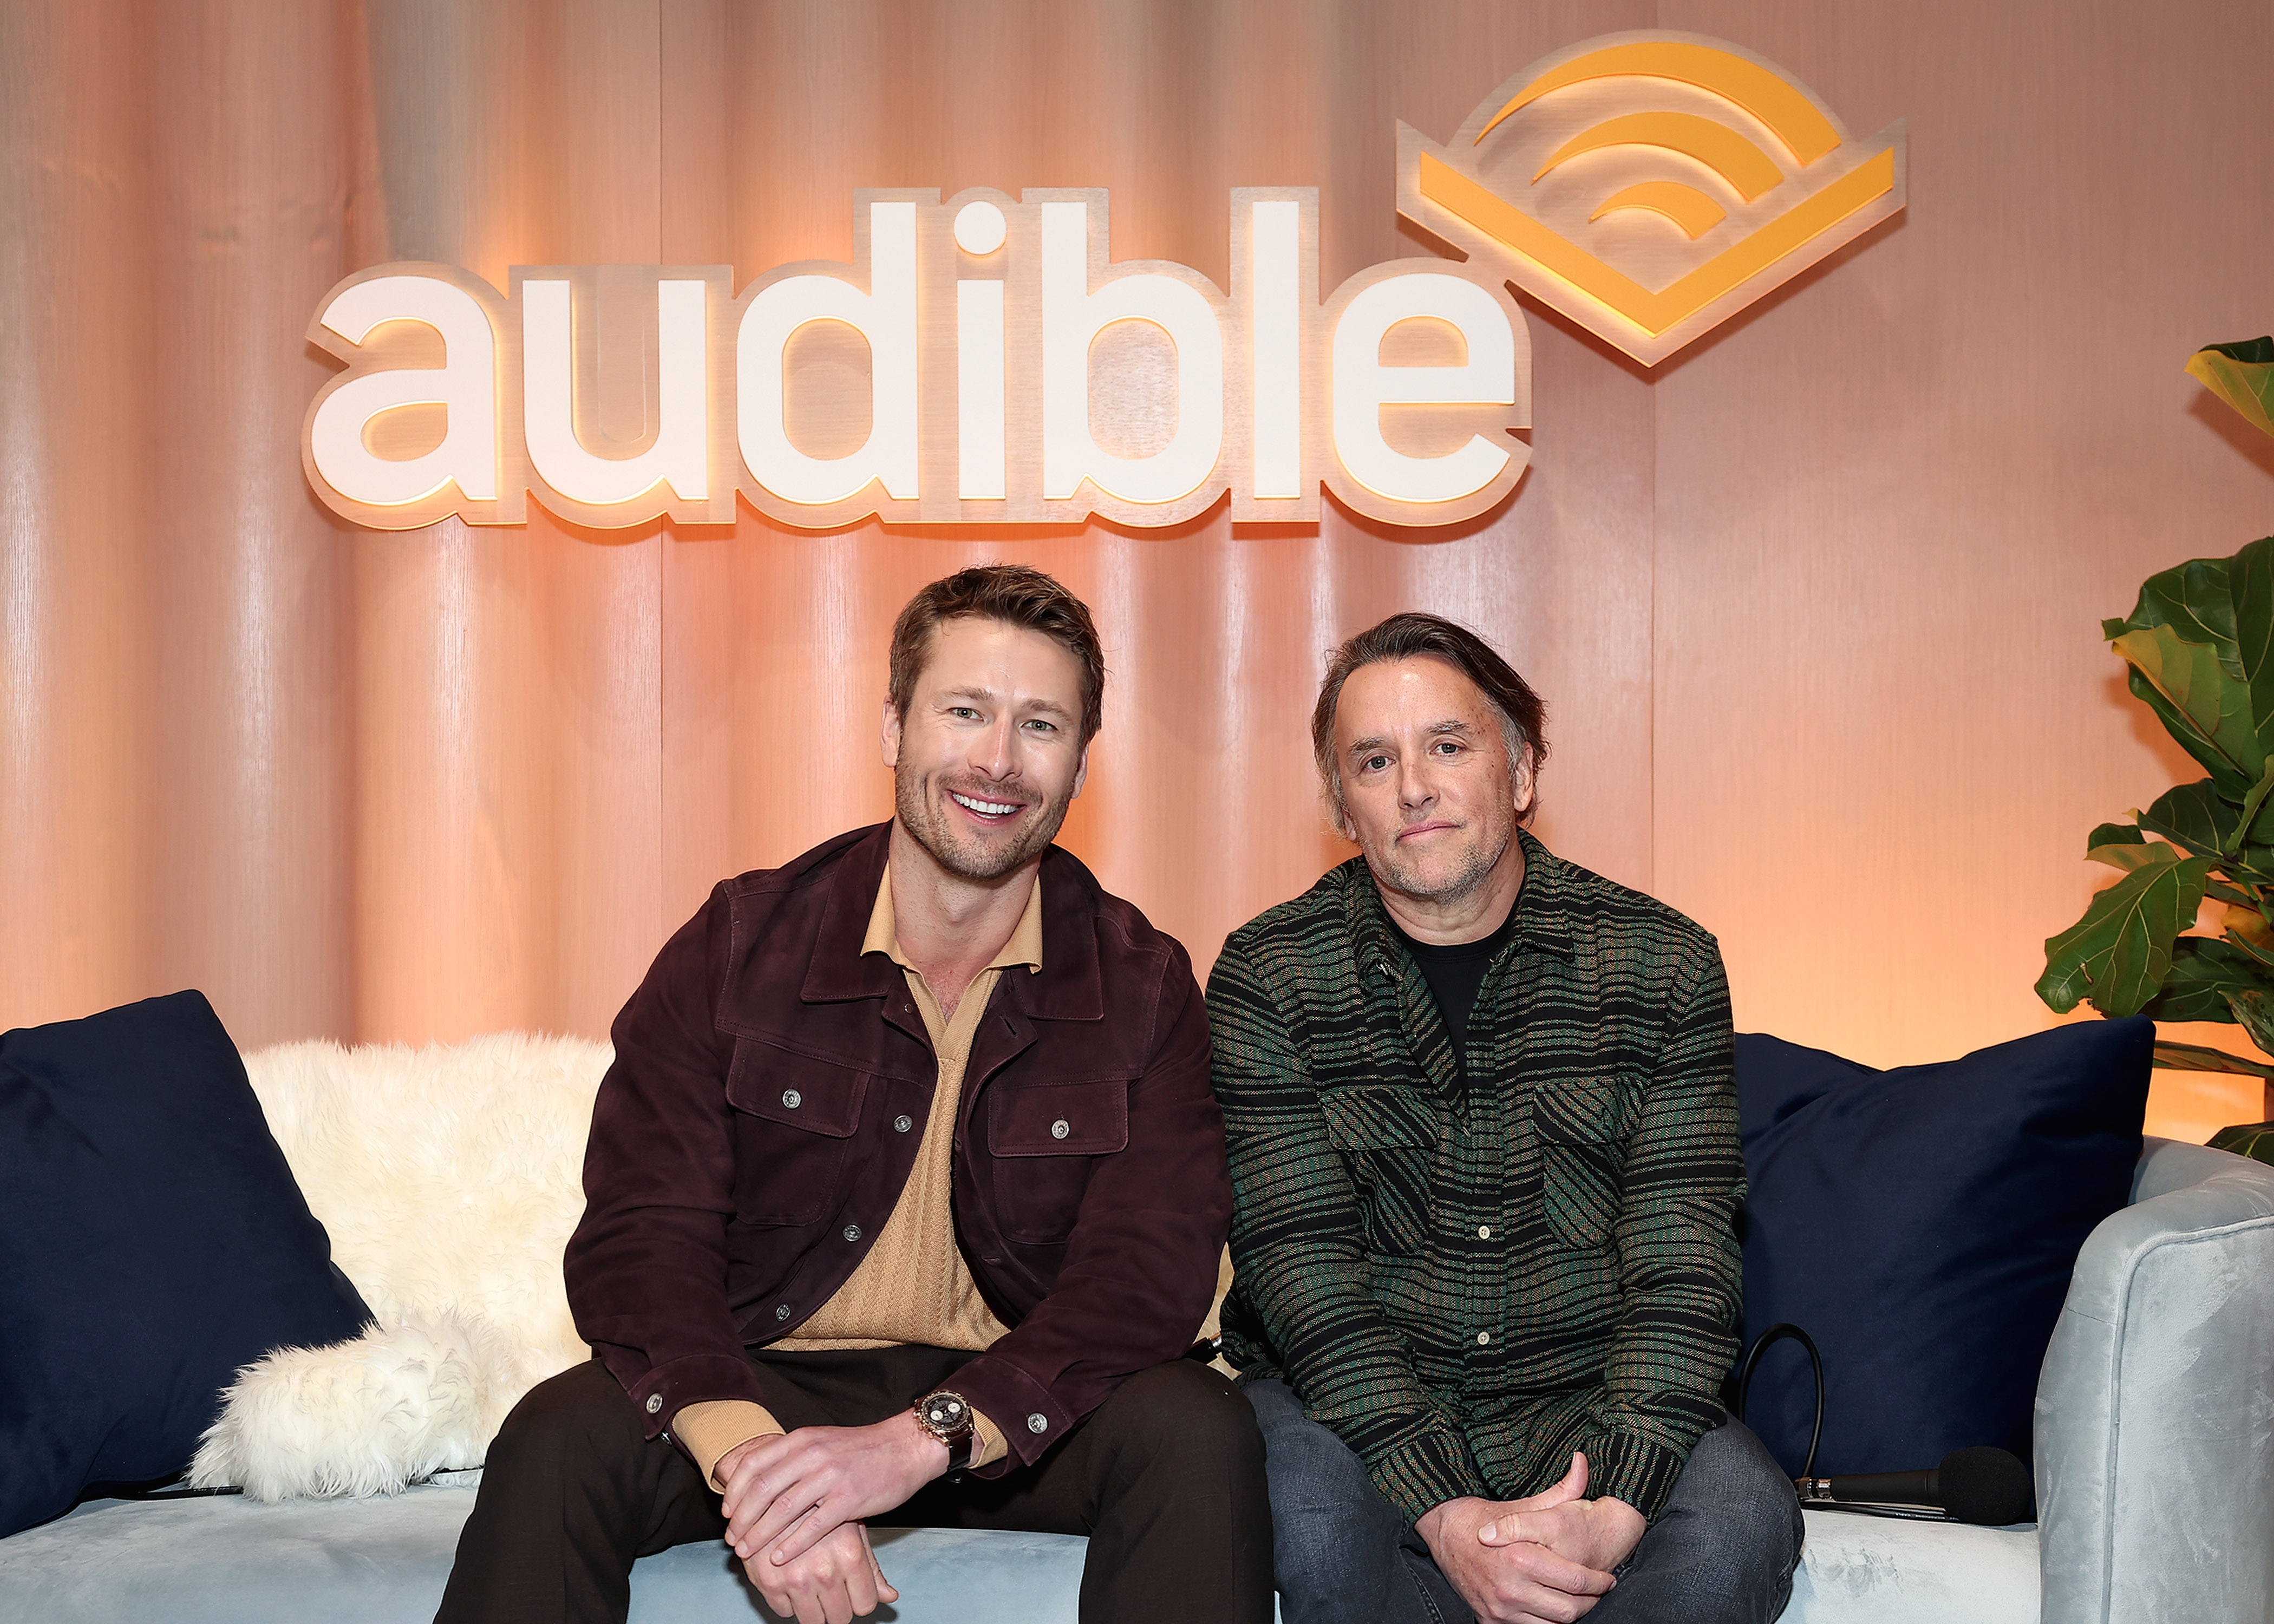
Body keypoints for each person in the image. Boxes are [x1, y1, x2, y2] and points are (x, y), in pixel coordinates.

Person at [437, 564, 1271, 1624]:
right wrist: (758, 1466)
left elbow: (1145, 1280)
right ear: (892, 726)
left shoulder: (1143, 984)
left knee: (1196, 1428)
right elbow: (643, 1236)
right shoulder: (738, 945)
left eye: (1041, 725)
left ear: (1080, 764)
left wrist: (920, 1440)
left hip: (1016, 1399)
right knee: (560, 1435)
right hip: (770, 1383)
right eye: (964, 711)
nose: (998, 759)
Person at [1208, 613, 1802, 1624]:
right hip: (1351, 1412)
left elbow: (1683, 1264)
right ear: (1343, 805)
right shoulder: (1269, 977)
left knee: (1739, 1514)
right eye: (1374, 761)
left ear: (1521, 772)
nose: (1414, 787)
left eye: (1448, 746)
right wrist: (1446, 1513)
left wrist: (1614, 1509)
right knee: (1310, 1514)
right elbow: (1303, 1279)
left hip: (1590, 1398)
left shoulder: (1662, 964)